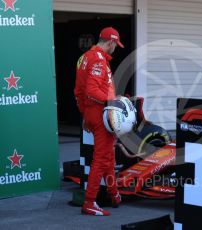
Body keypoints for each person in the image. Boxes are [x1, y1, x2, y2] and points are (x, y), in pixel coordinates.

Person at [74, 27, 124, 216]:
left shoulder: (85, 57)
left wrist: (85, 114)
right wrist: (113, 101)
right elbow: (91, 90)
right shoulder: (98, 59)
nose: (115, 49)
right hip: (101, 114)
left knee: (108, 157)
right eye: (116, 45)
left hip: (93, 113)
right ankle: (89, 202)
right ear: (110, 42)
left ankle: (113, 194)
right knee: (102, 159)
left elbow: (78, 91)